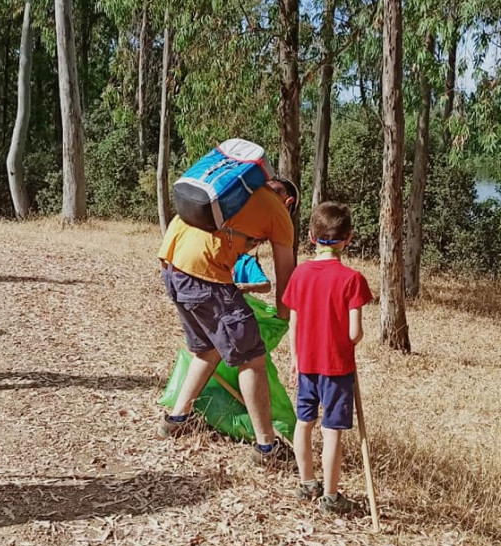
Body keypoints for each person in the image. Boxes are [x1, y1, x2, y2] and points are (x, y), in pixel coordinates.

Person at [157, 176, 298, 465]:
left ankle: (176, 419)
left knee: (208, 350)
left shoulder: (229, 191)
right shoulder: (277, 210)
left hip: (172, 267)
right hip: (206, 276)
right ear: (290, 202)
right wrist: (284, 316)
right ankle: (266, 448)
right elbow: (287, 272)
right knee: (252, 359)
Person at [282, 202, 373, 514]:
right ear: (348, 238)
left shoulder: (300, 274)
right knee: (331, 429)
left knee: (304, 422)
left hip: (306, 364)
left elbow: (293, 323)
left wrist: (294, 357)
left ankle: (307, 482)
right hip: (336, 367)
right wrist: (353, 340)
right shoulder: (352, 279)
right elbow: (353, 334)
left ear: (310, 236)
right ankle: (331, 498)